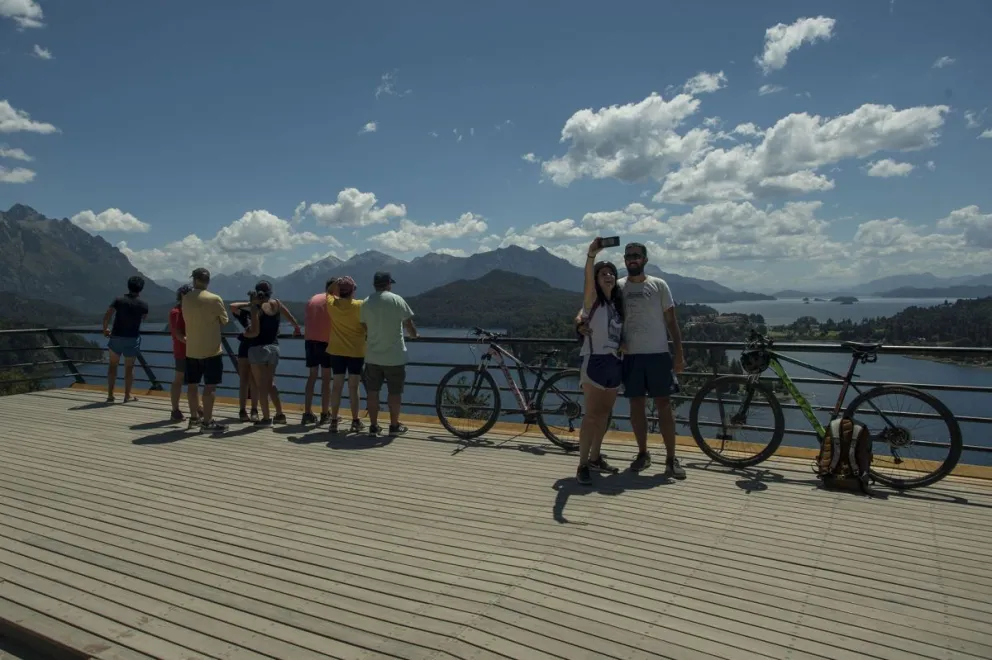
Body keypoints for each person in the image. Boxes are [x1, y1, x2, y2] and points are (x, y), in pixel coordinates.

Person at [578, 242, 686, 478]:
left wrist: (679, 352)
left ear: (645, 259)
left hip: (658, 354)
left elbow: (671, 322)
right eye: (628, 256)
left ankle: (671, 458)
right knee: (636, 406)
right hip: (629, 357)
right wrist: (579, 322)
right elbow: (589, 304)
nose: (631, 259)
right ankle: (642, 454)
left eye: (636, 256)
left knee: (664, 405)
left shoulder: (659, 285)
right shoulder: (617, 286)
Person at [574, 239, 624, 485]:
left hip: (614, 364)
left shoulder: (617, 305)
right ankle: (582, 463)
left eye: (612, 274)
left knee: (604, 414)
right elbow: (586, 280)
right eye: (603, 274)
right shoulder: (592, 300)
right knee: (591, 416)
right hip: (594, 362)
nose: (608, 276)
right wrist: (591, 255)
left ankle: (595, 457)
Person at [360, 271, 418, 436]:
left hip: (372, 356)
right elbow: (408, 323)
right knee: (394, 393)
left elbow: (363, 326)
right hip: (395, 357)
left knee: (372, 392)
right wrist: (414, 335)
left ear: (374, 285)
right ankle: (393, 426)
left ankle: (373, 425)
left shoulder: (366, 302)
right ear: (388, 284)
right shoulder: (397, 300)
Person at [240, 280, 301, 425]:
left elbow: (254, 332)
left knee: (261, 386)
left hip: (258, 349)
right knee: (270, 383)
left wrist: (243, 335)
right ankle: (280, 414)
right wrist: (296, 329)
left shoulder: (256, 308)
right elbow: (291, 318)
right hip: (274, 348)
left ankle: (266, 418)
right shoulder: (277, 304)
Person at [181, 267, 228, 432]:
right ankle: (207, 422)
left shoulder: (185, 298)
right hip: (212, 350)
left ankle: (194, 418)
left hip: (191, 349)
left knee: (192, 385)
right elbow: (224, 321)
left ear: (194, 280)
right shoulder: (215, 299)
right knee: (210, 386)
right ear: (208, 281)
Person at [325, 275, 366, 433]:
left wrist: (337, 282)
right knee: (354, 386)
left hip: (336, 351)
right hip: (356, 351)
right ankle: (355, 421)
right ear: (353, 291)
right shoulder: (360, 305)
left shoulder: (332, 304)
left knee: (336, 386)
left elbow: (328, 292)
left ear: (339, 291)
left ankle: (334, 421)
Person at [102, 275, 149, 403]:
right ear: (141, 289)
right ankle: (127, 395)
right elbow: (143, 317)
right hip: (132, 338)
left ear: (128, 286)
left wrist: (105, 329)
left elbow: (107, 315)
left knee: (112, 366)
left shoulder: (118, 300)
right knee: (129, 367)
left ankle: (110, 395)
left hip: (116, 336)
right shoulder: (144, 304)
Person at [302, 277, 338, 425]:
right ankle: (325, 413)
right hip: (326, 342)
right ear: (334, 288)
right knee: (326, 379)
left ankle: (307, 412)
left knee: (312, 377)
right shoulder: (334, 300)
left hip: (310, 341)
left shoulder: (313, 298)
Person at [168, 284, 202, 421]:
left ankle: (197, 408)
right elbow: (178, 334)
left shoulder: (191, 311)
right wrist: (191, 341)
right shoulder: (176, 312)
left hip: (193, 350)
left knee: (194, 382)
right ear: (182, 296)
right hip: (183, 351)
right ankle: (175, 409)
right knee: (179, 379)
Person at [231, 302, 259, 422]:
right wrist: (249, 303)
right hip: (252, 348)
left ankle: (249, 410)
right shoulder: (258, 315)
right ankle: (248, 410)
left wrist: (250, 303)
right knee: (247, 380)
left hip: (251, 348)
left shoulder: (247, 314)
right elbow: (233, 306)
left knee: (250, 380)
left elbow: (233, 307)